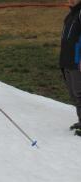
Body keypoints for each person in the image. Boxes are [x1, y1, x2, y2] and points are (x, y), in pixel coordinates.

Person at [60, 0, 81, 136]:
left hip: (76, 60)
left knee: (79, 93)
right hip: (66, 59)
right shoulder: (70, 15)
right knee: (74, 94)